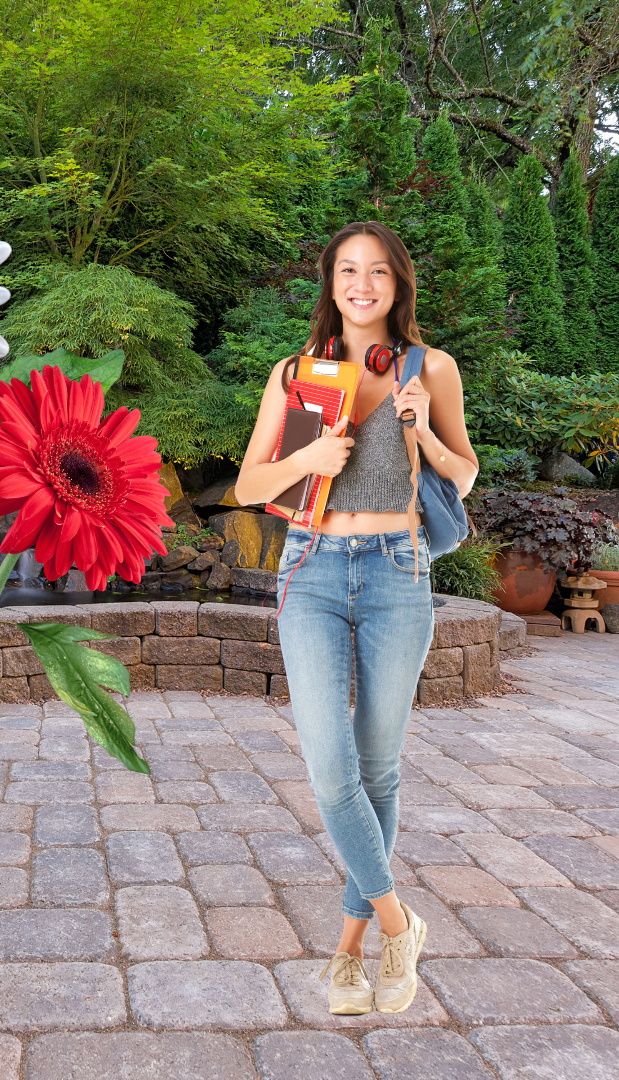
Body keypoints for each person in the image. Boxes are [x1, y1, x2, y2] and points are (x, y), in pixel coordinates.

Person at [235, 222, 478, 1015]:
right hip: (309, 570)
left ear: (398, 283)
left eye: (378, 271)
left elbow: (464, 471)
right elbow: (247, 486)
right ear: (330, 281)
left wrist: (421, 431)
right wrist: (307, 461)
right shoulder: (298, 373)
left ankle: (346, 955)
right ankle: (398, 923)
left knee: (379, 772)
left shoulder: (431, 367)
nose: (363, 284)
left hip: (397, 572)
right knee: (332, 773)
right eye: (348, 270)